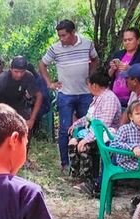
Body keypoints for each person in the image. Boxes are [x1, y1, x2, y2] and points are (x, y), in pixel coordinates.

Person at [39, 19, 98, 172]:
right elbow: (42, 64)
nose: (61, 39)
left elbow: (95, 59)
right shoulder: (55, 48)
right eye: (59, 36)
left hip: (85, 93)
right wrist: (49, 83)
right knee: (65, 129)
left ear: (73, 32)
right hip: (65, 95)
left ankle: (86, 163)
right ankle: (65, 163)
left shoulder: (87, 43)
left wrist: (91, 77)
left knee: (87, 128)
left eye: (64, 35)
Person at [67, 70, 122, 192]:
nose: (88, 87)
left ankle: (91, 182)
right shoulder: (97, 98)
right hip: (94, 132)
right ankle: (77, 177)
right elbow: (89, 118)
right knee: (72, 143)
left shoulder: (109, 99)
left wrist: (86, 139)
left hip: (106, 135)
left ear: (95, 85)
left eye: (89, 84)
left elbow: (103, 125)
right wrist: (75, 124)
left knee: (83, 146)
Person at [107, 28, 140, 108]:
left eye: (130, 40)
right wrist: (112, 69)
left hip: (133, 99)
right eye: (125, 40)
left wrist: (129, 69)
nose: (127, 42)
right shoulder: (118, 54)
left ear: (138, 40)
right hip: (114, 98)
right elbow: (108, 75)